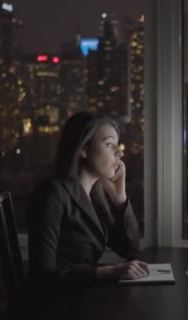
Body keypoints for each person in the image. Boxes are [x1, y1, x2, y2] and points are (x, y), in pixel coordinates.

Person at [27, 111, 149, 294]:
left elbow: (130, 250)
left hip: (82, 295)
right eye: (109, 144)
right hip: (58, 305)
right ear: (83, 148)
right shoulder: (53, 194)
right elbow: (43, 276)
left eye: (117, 145)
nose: (120, 152)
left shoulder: (94, 195)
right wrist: (107, 272)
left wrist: (120, 198)